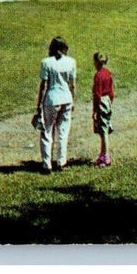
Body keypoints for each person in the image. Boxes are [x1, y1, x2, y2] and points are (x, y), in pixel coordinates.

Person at [35, 36, 76, 174]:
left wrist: (38, 105)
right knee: (63, 131)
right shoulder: (71, 62)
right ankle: (61, 161)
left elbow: (43, 85)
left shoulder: (46, 62)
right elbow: (72, 84)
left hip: (52, 99)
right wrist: (73, 99)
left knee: (47, 131)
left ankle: (47, 164)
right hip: (66, 98)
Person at [91, 52, 115, 167]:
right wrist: (110, 101)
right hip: (107, 100)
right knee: (104, 128)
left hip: (101, 101)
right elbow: (111, 90)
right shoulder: (108, 73)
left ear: (96, 62)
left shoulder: (98, 75)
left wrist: (95, 110)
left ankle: (106, 157)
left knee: (103, 130)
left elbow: (97, 94)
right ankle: (102, 154)